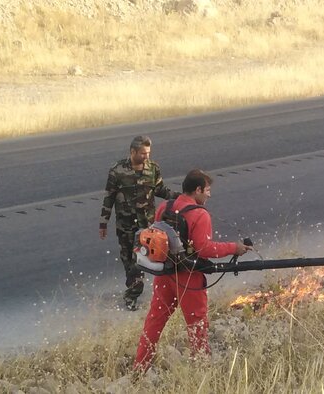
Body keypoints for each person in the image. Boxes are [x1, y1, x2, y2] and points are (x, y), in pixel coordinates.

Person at [133, 169, 251, 372]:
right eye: (207, 190)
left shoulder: (164, 206)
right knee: (197, 325)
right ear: (197, 190)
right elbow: (204, 248)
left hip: (165, 274)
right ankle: (202, 369)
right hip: (189, 279)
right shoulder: (199, 214)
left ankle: (140, 366)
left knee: (154, 321)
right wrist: (235, 248)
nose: (209, 195)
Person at [99, 135, 179, 311]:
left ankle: (133, 294)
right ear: (132, 152)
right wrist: (103, 223)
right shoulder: (117, 170)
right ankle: (133, 285)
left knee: (140, 258)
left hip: (146, 226)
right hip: (125, 225)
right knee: (128, 258)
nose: (146, 157)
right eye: (143, 153)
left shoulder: (153, 168)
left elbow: (160, 189)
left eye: (148, 153)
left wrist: (181, 198)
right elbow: (109, 197)